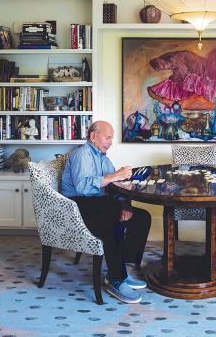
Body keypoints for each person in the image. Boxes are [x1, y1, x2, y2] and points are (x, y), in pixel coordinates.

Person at [60, 121, 151, 304]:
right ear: (93, 136)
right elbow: (83, 187)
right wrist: (115, 176)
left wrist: (125, 205)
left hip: (98, 202)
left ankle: (119, 270)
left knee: (141, 217)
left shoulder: (102, 156)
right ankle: (117, 280)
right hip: (78, 205)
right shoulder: (81, 154)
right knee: (113, 223)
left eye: (111, 138)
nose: (110, 142)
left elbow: (114, 186)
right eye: (107, 137)